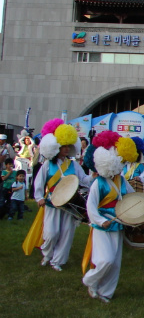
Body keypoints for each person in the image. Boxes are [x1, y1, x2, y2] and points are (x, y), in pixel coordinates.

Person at [25, 119, 93, 270]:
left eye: (69, 146)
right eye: (64, 146)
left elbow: (83, 180)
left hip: (69, 204)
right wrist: (39, 197)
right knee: (51, 233)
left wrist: (94, 175)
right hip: (52, 203)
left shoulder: (74, 165)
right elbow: (39, 182)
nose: (67, 149)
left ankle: (58, 261)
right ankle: (47, 254)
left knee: (66, 234)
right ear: (56, 147)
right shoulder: (48, 165)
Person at [81, 132, 137, 303]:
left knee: (115, 263)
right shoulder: (98, 183)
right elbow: (90, 207)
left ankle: (106, 292)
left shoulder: (121, 180)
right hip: (103, 226)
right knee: (106, 260)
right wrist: (100, 221)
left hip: (118, 224)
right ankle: (90, 280)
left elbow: (134, 197)